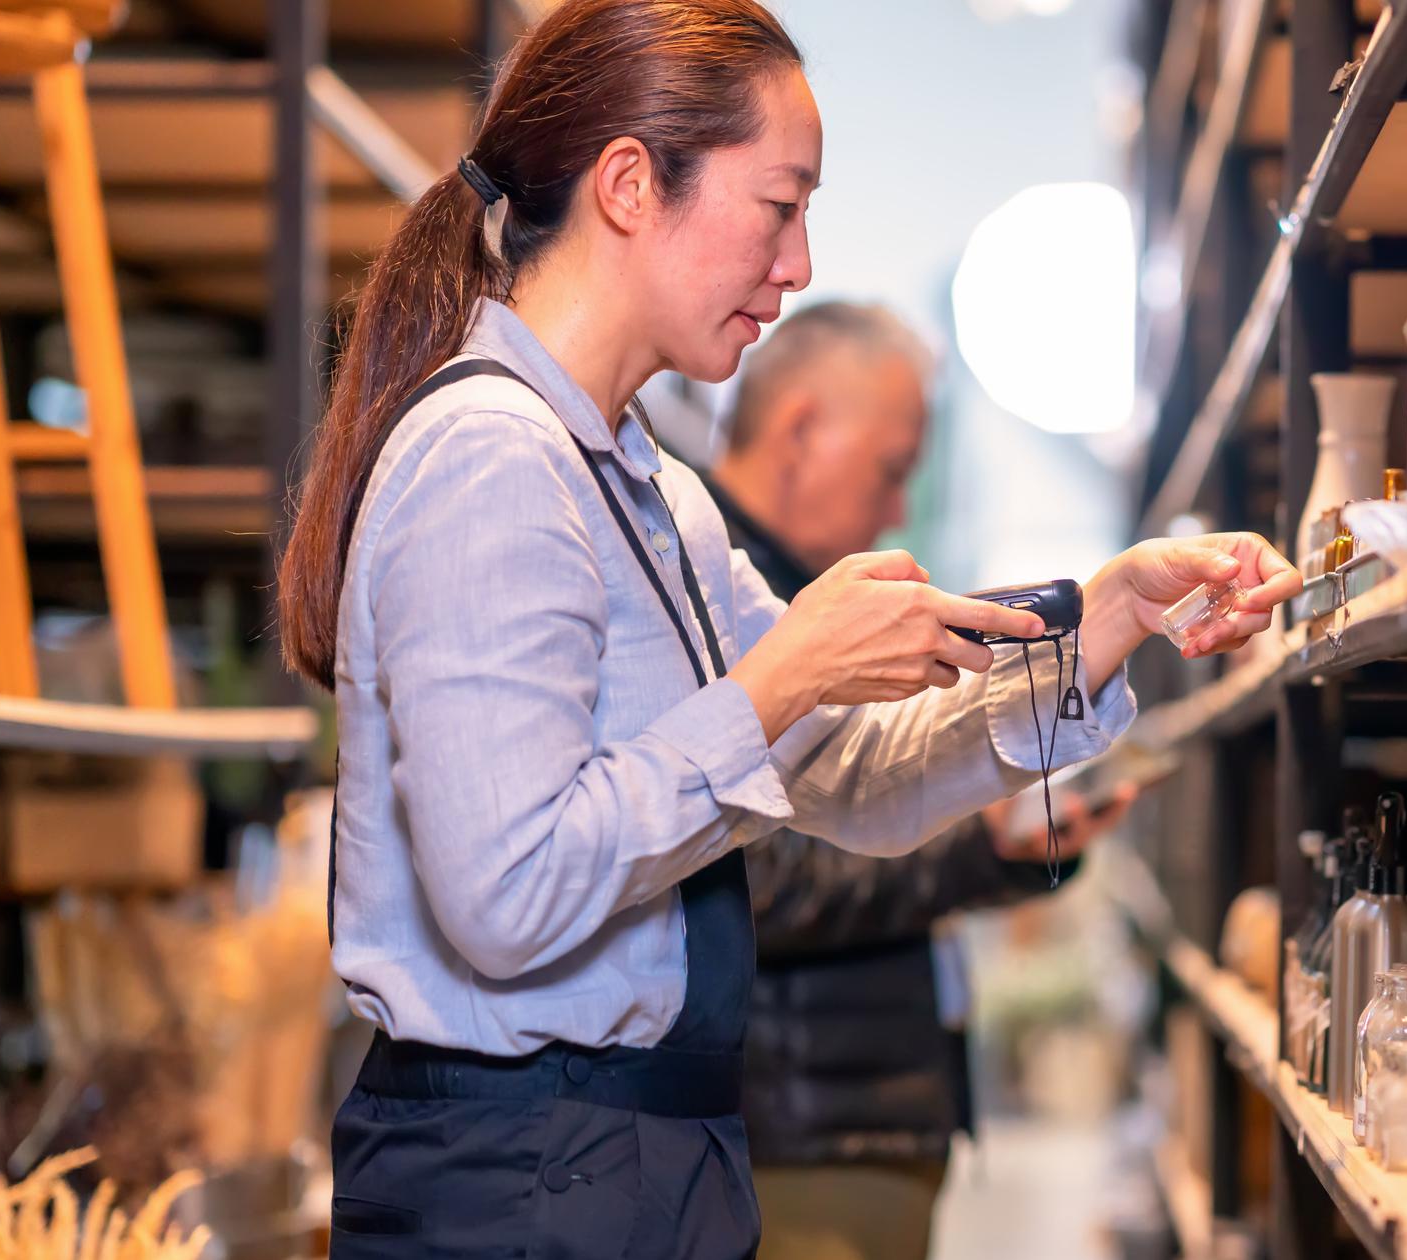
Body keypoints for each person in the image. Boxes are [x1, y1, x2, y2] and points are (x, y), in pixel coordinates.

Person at [270, 3, 1299, 1258]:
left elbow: (853, 776)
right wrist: (780, 679)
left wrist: (1108, 615)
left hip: (641, 1149)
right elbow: (505, 896)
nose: (801, 261)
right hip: (516, 1171)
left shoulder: (650, 490)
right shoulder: (490, 457)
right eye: (778, 204)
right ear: (632, 186)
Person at [708, 301, 1130, 1260]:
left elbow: (860, 787)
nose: (898, 507)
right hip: (799, 1127)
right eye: (892, 470)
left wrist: (999, 833)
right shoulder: (714, 592)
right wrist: (979, 850)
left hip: (845, 1115)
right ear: (802, 428)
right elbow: (755, 878)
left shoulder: (785, 593)